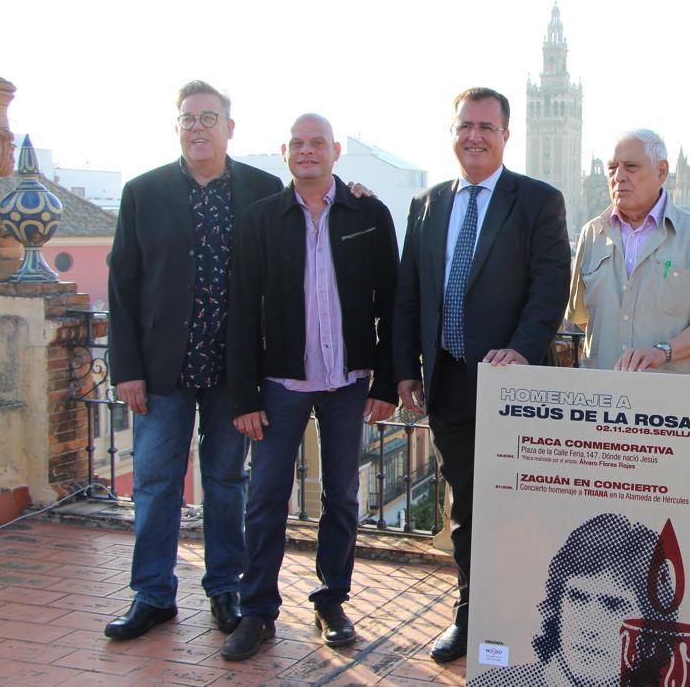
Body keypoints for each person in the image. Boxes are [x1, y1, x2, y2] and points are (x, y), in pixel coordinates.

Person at [393, 87, 572, 663]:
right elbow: (409, 295)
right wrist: (405, 371)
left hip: (514, 387)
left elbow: (551, 287)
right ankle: (470, 617)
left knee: (522, 509)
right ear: (453, 132)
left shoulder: (538, 200)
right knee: (467, 508)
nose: (474, 135)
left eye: (486, 127)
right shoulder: (426, 204)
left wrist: (521, 351)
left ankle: (526, 621)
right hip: (446, 385)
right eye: (465, 125)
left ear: (505, 136)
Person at [105, 80, 283, 641]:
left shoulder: (263, 188)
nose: (197, 126)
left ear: (230, 128)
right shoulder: (143, 192)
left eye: (208, 117)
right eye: (187, 118)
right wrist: (126, 368)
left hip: (234, 371)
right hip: (162, 370)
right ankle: (153, 595)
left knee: (226, 481)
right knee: (156, 480)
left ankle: (225, 589)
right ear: (176, 127)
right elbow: (122, 283)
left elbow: (285, 271)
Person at [220, 114, 399, 660]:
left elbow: (391, 304)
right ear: (285, 153)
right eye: (297, 144)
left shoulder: (369, 213)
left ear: (335, 151)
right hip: (281, 384)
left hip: (348, 382)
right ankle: (258, 612)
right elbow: (241, 309)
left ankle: (331, 602)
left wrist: (387, 381)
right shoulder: (261, 219)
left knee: (341, 497)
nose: (306, 151)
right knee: (267, 498)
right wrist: (244, 396)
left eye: (316, 143)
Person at [566, 129, 690, 374]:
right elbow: (582, 316)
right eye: (612, 168)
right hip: (603, 394)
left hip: (672, 399)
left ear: (662, 172)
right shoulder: (591, 234)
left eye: (631, 167)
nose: (618, 176)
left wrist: (661, 352)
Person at [469, 514, 675, 687]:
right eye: (577, 598)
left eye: (613, 605)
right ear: (557, 608)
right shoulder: (496, 683)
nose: (589, 627)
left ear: (650, 623)